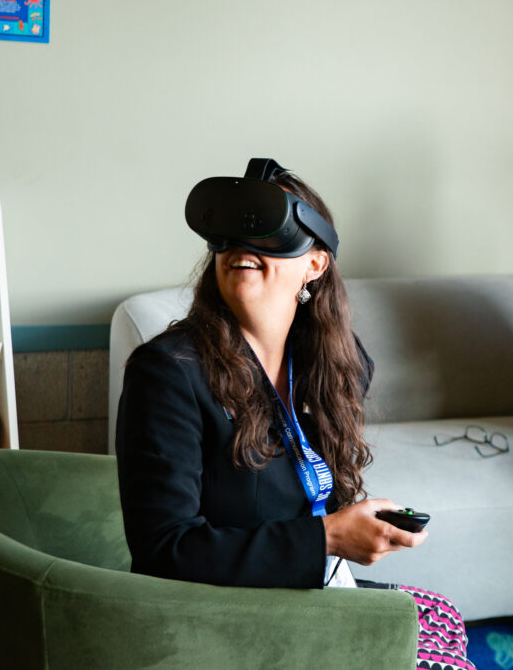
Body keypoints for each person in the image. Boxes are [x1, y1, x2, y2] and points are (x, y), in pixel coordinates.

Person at [116, 160, 475, 670]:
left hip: (312, 582)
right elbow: (164, 551)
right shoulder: (168, 373)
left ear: (315, 264)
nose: (244, 247)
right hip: (228, 611)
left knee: (443, 618)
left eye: (268, 229)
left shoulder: (325, 363)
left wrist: (349, 529)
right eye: (232, 234)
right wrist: (328, 536)